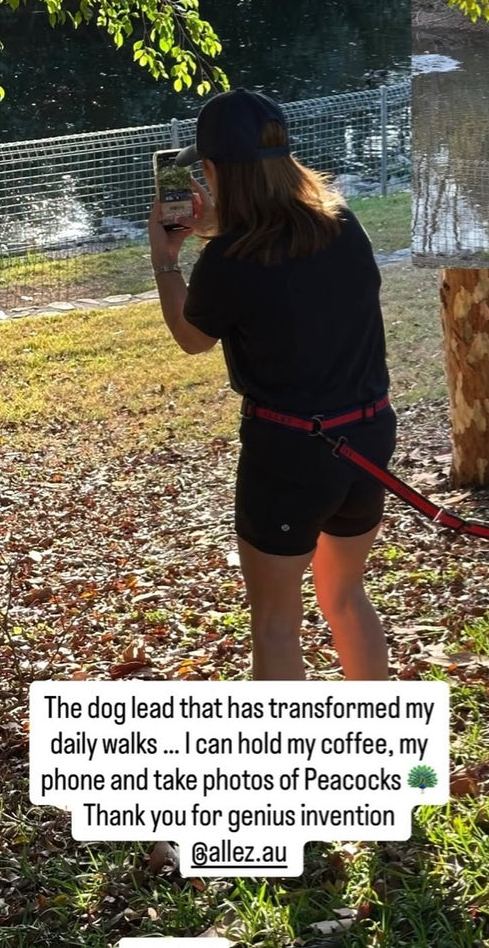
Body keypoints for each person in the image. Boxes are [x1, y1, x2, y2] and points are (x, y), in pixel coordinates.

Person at [146, 88, 396, 682]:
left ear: (210, 171)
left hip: (290, 456)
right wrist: (217, 235)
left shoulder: (230, 259)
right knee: (344, 596)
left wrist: (166, 257)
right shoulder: (341, 224)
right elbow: (287, 276)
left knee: (277, 624)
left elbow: (192, 336)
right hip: (367, 439)